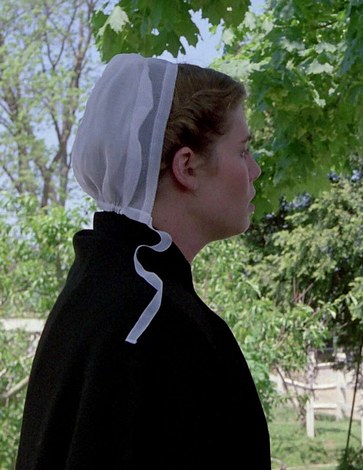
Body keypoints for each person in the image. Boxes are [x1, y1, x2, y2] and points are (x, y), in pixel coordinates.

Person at [15, 54, 270, 469]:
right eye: (243, 151)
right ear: (187, 166)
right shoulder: (156, 324)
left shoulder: (97, 289)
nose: (255, 170)